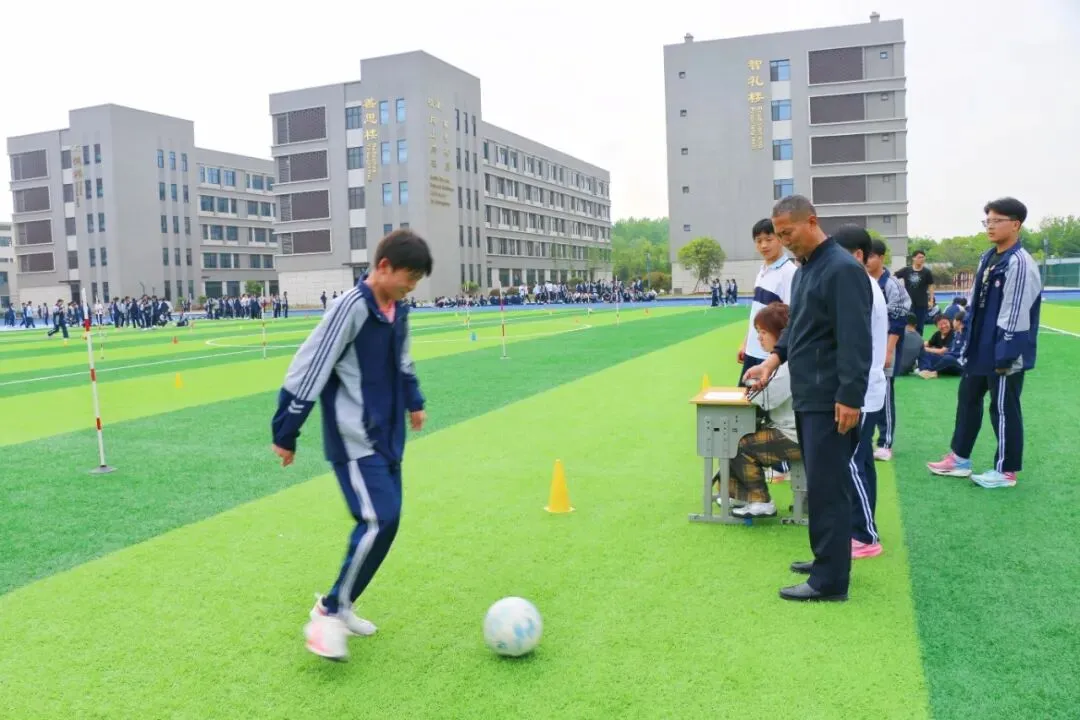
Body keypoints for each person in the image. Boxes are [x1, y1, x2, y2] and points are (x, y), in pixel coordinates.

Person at [270, 230, 434, 660]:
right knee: (380, 519)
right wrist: (286, 431)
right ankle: (327, 611)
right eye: (408, 277)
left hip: (387, 435)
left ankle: (342, 605)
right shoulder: (350, 308)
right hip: (354, 437)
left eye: (417, 279)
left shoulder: (397, 310)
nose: (411, 286)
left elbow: (404, 361)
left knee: (388, 522)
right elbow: (310, 367)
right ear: (383, 267)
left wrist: (414, 401)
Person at [744, 195, 872, 602]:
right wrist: (771, 362)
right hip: (808, 394)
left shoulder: (842, 270)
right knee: (819, 484)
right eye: (778, 235)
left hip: (832, 397)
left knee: (829, 486)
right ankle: (826, 559)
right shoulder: (804, 272)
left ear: (811, 221)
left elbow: (855, 339)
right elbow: (798, 329)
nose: (784, 241)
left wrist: (850, 396)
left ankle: (830, 582)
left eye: (788, 233)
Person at [928, 197, 1042, 488]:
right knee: (968, 398)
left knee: (1003, 407)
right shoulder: (988, 257)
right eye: (987, 221)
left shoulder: (1019, 263)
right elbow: (975, 302)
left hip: (1004, 350)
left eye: (997, 221)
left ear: (1015, 225)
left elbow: (1015, 313)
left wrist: (1005, 355)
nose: (990, 226)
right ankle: (960, 458)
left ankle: (1006, 470)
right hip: (980, 347)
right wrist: (967, 339)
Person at [716, 302, 802, 518]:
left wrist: (752, 384)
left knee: (738, 444)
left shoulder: (788, 365)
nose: (759, 338)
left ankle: (761, 501)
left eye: (763, 332)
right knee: (734, 436)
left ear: (781, 335)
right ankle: (739, 495)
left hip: (794, 436)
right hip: (792, 431)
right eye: (757, 332)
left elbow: (765, 398)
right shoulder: (781, 363)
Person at [833, 225, 887, 560]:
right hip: (867, 387)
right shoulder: (865, 285)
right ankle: (861, 527)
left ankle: (865, 535)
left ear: (856, 255)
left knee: (852, 462)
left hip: (861, 390)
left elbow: (856, 346)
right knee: (861, 461)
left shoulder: (861, 287)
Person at [737, 218, 798, 482]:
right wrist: (745, 341)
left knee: (763, 407)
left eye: (768, 239)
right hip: (755, 349)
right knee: (747, 409)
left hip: (771, 355)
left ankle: (778, 466)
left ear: (780, 239)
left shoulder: (789, 272)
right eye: (758, 240)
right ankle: (762, 465)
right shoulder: (763, 270)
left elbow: (788, 317)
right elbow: (757, 314)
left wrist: (777, 353)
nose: (763, 245)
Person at [865, 239, 911, 462]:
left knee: (885, 393)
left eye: (871, 256)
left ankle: (885, 442)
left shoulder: (892, 284)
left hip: (885, 346)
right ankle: (865, 438)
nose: (867, 261)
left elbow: (900, 318)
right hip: (866, 346)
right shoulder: (860, 281)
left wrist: (889, 350)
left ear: (881, 258)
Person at [896, 249, 935, 336]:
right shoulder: (906, 270)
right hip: (908, 303)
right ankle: (907, 342)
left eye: (923, 257)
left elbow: (931, 286)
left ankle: (918, 344)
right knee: (908, 324)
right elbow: (894, 277)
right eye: (919, 257)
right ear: (913, 258)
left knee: (920, 326)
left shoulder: (927, 272)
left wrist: (931, 300)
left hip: (922, 303)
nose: (921, 259)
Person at [917, 311, 966, 378]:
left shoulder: (958, 334)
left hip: (958, 363)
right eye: (940, 324)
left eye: (945, 323)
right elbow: (927, 343)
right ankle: (924, 369)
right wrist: (918, 345)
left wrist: (925, 349)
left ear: (958, 322)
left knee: (948, 358)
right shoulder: (955, 334)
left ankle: (931, 371)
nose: (943, 326)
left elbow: (944, 351)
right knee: (924, 353)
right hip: (946, 358)